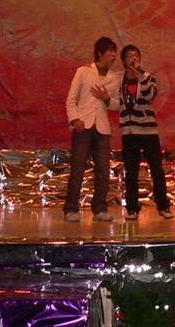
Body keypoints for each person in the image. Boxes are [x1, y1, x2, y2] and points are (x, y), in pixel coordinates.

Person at [63, 36, 121, 222]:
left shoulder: (114, 77)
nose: (113, 56)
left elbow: (117, 104)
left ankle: (99, 209)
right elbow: (71, 99)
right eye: (110, 52)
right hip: (83, 126)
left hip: (102, 128)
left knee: (103, 170)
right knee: (78, 168)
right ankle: (71, 209)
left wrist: (107, 99)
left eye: (115, 52)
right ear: (99, 53)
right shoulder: (83, 72)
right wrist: (75, 120)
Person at [118, 44, 174, 221]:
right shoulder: (118, 79)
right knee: (131, 172)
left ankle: (163, 206)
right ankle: (132, 208)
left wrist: (141, 75)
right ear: (123, 61)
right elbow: (116, 102)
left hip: (148, 131)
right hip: (129, 132)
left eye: (136, 55)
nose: (133, 58)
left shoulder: (149, 77)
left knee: (157, 169)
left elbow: (150, 95)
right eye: (129, 56)